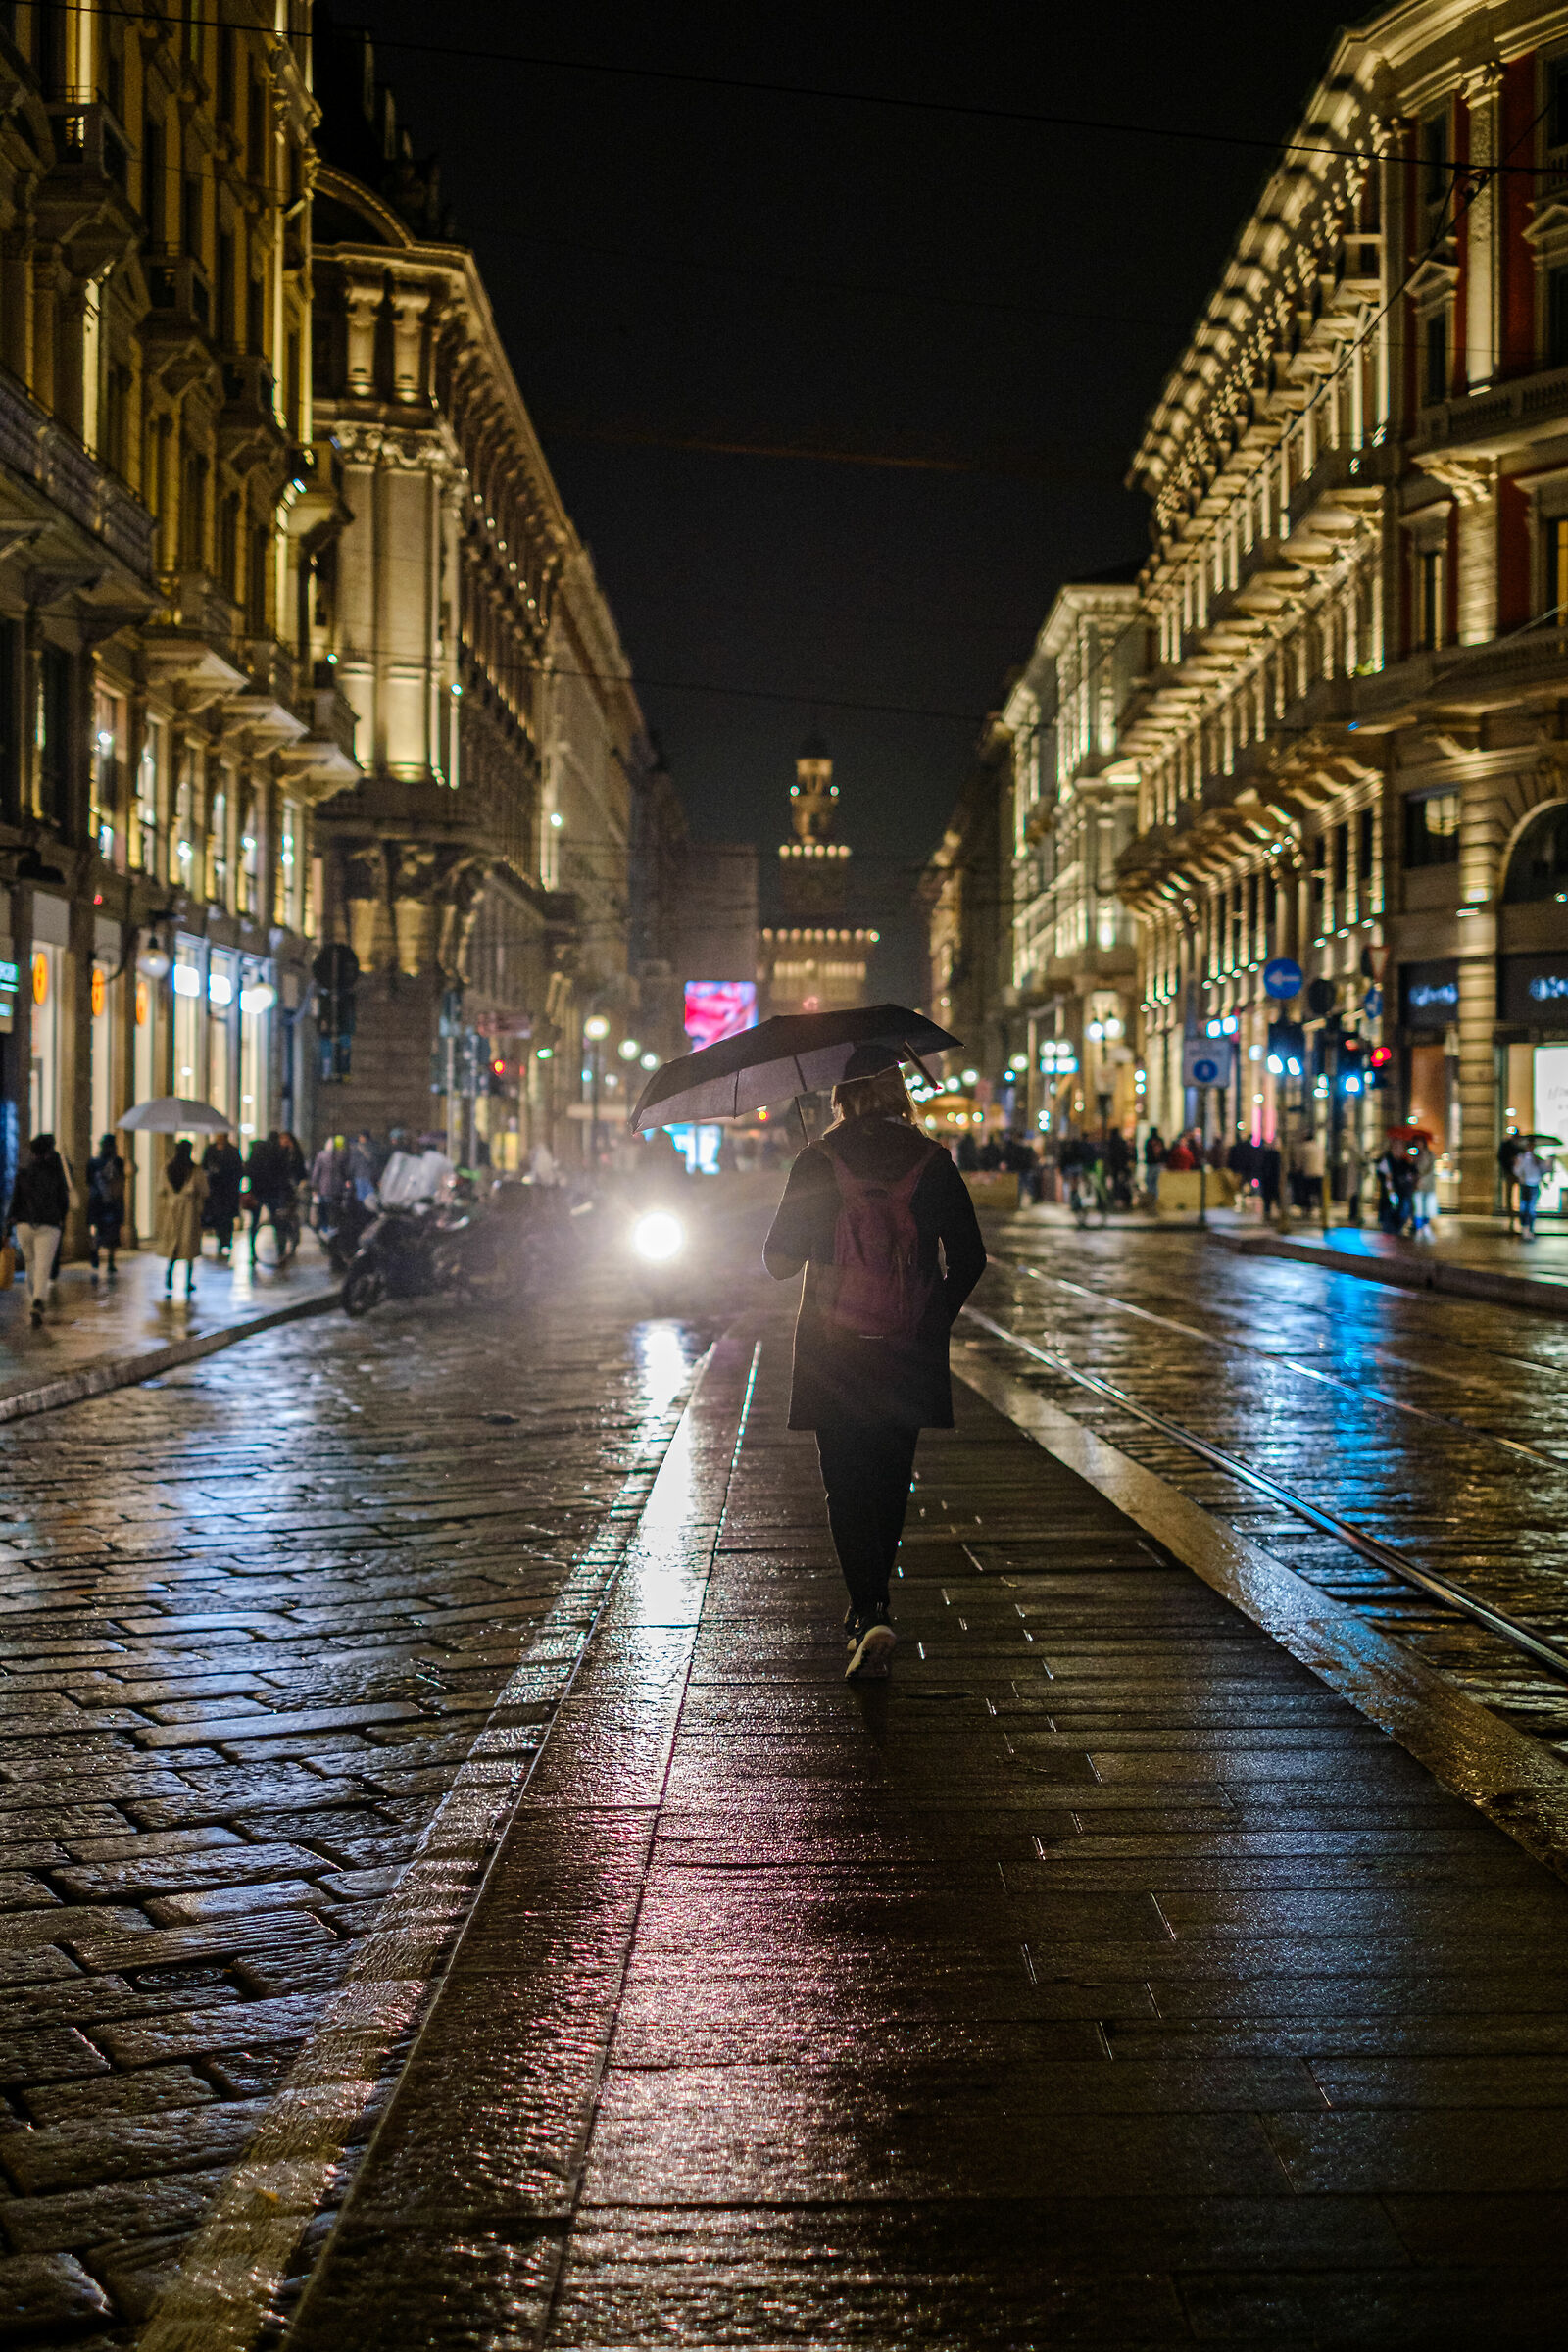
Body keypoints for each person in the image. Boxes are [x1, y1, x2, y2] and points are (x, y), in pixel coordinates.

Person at [763, 1064, 987, 1680]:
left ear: (841, 1098)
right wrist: (930, 1317)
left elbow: (778, 1262)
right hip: (904, 1350)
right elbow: (970, 1256)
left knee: (845, 1482)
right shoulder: (932, 1158)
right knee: (889, 1479)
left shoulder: (818, 1158)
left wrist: (810, 1207)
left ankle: (864, 1611)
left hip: (832, 1350)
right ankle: (878, 1601)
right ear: (899, 1095)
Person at [8, 1134, 70, 1325]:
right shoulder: (55, 1172)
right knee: (44, 1265)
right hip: (49, 1225)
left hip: (25, 1225)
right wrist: (61, 1218)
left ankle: (34, 1295)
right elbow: (63, 1200)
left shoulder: (23, 1173)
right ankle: (38, 1300)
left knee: (30, 1262)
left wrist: (8, 1226)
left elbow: (15, 1201)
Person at [156, 1140, 208, 1298]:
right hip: (189, 1211)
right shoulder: (194, 1169)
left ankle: (169, 1274)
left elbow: (160, 1190)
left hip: (172, 1210)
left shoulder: (167, 1168)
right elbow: (204, 1190)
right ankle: (188, 1280)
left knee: (173, 1243)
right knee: (188, 1245)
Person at [85, 1133, 126, 1278]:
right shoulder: (116, 1162)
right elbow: (121, 1181)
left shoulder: (95, 1163)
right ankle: (108, 1259)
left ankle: (98, 1253)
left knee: (101, 1229)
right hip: (109, 1202)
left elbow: (89, 1181)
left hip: (99, 1200)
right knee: (110, 1230)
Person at [201, 1132, 243, 1260]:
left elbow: (238, 1170)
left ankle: (226, 1241)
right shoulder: (210, 1150)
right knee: (217, 1217)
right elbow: (204, 1166)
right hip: (215, 1190)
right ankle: (221, 1241)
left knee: (227, 1218)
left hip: (229, 1191)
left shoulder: (232, 1151)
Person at [1515, 1142, 1544, 1239]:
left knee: (1531, 1207)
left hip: (1534, 1184)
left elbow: (1542, 1170)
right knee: (1524, 1206)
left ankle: (1530, 1228)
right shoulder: (1522, 1158)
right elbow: (1517, 1170)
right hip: (1525, 1184)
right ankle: (1525, 1227)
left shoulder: (1537, 1158)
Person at [1143, 1126, 1165, 1209]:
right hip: (1157, 1164)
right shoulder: (1160, 1140)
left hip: (1151, 1164)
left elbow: (1146, 1151)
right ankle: (1154, 1201)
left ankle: (1150, 1200)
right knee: (1155, 1183)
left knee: (1149, 1182)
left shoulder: (1149, 1141)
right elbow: (1163, 1151)